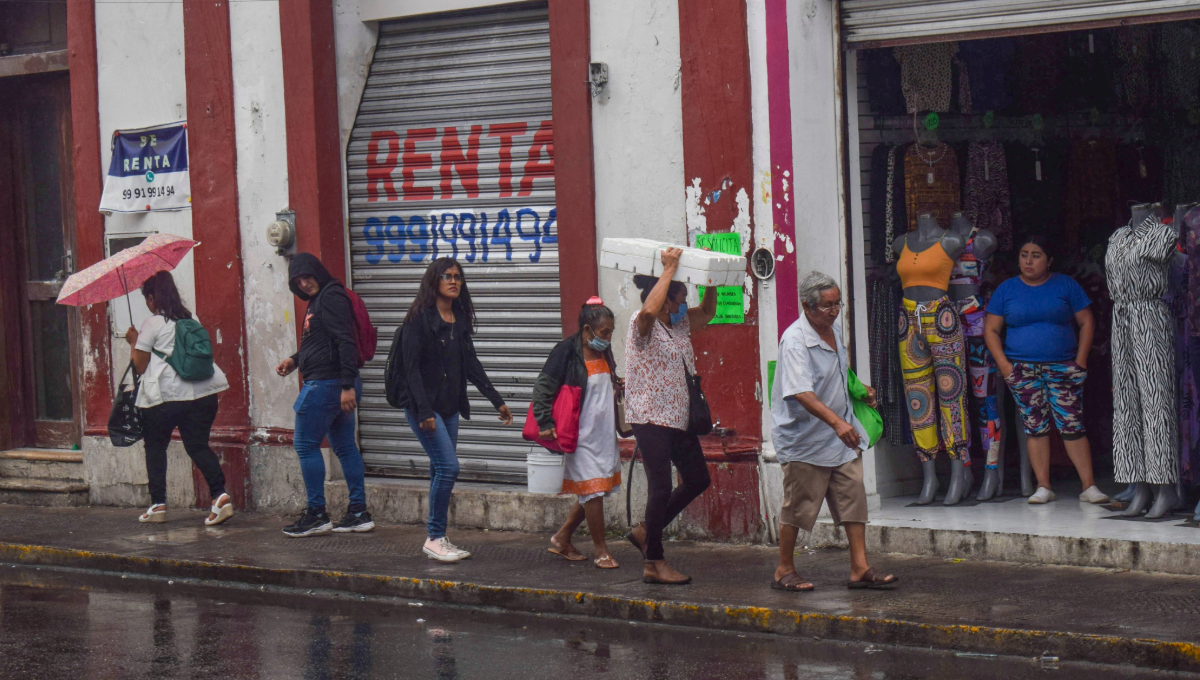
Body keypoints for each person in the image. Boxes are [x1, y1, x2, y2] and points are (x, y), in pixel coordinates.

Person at [770, 271, 898, 591]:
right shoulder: (796, 341)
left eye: (837, 303)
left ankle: (859, 567)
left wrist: (859, 390)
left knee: (853, 499)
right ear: (807, 306)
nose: (835, 310)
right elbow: (802, 392)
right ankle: (783, 570)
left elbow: (839, 372)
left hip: (840, 436)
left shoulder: (833, 328)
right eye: (827, 306)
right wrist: (838, 423)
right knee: (798, 506)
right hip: (806, 439)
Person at [400, 257, 513, 563]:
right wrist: (423, 411)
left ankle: (438, 537)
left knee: (440, 468)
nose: (454, 281)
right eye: (447, 276)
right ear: (433, 281)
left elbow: (471, 364)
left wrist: (496, 400)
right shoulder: (419, 319)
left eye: (458, 277)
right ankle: (435, 538)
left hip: (449, 408)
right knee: (449, 467)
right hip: (425, 409)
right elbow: (411, 370)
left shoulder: (458, 318)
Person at [984, 235, 1109, 505]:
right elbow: (991, 331)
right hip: (1022, 370)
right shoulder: (1006, 289)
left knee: (1072, 425)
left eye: (1036, 255)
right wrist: (1006, 367)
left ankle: (1089, 487)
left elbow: (1087, 322)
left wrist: (1081, 361)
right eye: (1024, 254)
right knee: (1035, 427)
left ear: (1049, 260)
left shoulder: (1066, 285)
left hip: (1063, 367)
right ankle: (1043, 486)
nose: (1028, 260)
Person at [624, 247, 715, 585]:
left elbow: (707, 311)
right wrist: (670, 268)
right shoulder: (641, 324)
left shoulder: (677, 326)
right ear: (663, 299)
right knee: (660, 487)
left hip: (678, 417)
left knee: (697, 479)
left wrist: (713, 277)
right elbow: (649, 310)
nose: (682, 306)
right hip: (650, 418)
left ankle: (647, 531)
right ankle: (654, 562)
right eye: (678, 299)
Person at [276, 254, 374, 537]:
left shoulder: (330, 297)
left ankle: (317, 513)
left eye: (307, 277)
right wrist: (294, 360)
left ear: (318, 271)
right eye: (298, 281)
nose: (304, 284)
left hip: (328, 385)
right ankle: (358, 513)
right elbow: (321, 342)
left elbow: (345, 341)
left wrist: (346, 386)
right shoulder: (319, 300)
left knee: (306, 445)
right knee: (344, 447)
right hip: (334, 383)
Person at [125, 271, 232, 526]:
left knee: (155, 447)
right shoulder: (191, 318)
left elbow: (139, 367)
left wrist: (133, 341)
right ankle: (220, 497)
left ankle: (158, 505)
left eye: (147, 299)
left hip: (165, 398)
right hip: (203, 395)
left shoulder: (151, 324)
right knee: (197, 446)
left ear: (152, 298)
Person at [535, 298, 623, 569]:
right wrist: (545, 422)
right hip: (580, 435)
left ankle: (562, 538)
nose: (608, 338)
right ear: (587, 330)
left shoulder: (604, 351)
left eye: (611, 332)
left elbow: (603, 384)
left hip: (603, 435)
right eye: (604, 332)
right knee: (593, 492)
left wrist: (616, 385)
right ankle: (601, 551)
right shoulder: (565, 351)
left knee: (592, 490)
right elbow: (543, 387)